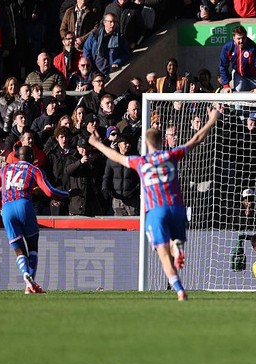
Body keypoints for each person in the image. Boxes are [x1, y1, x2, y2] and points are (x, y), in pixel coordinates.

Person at [88, 104, 221, 301]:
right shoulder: (171, 155)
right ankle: (178, 245)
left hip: (156, 210)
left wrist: (97, 143)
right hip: (176, 208)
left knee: (162, 254)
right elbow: (196, 139)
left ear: (147, 144)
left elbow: (115, 156)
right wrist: (211, 119)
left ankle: (179, 289)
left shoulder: (140, 162)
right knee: (175, 240)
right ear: (162, 141)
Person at [0, 146, 69, 293]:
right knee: (32, 248)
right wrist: (67, 195)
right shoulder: (33, 169)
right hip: (24, 205)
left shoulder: (5, 169)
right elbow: (49, 192)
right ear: (31, 156)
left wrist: (2, 208)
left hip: (7, 209)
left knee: (18, 249)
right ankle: (29, 285)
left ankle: (25, 275)